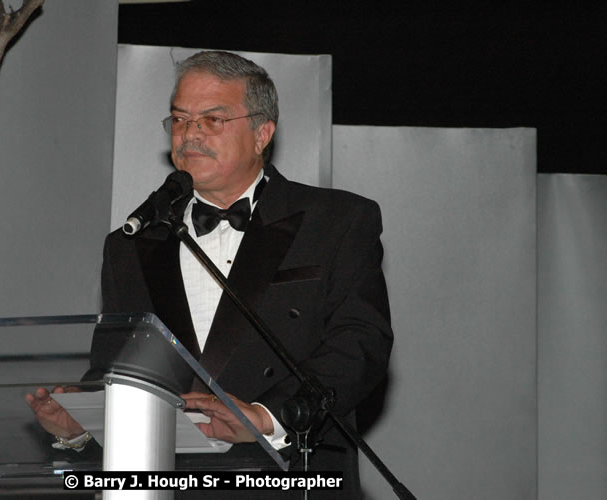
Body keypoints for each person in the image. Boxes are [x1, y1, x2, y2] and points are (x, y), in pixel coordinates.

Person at [27, 50, 393, 499]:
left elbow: (360, 343)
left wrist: (267, 415)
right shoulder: (131, 244)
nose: (190, 133)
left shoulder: (336, 220)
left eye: (212, 119)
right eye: (180, 120)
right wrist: (82, 425)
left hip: (291, 477)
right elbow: (117, 370)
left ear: (262, 133)